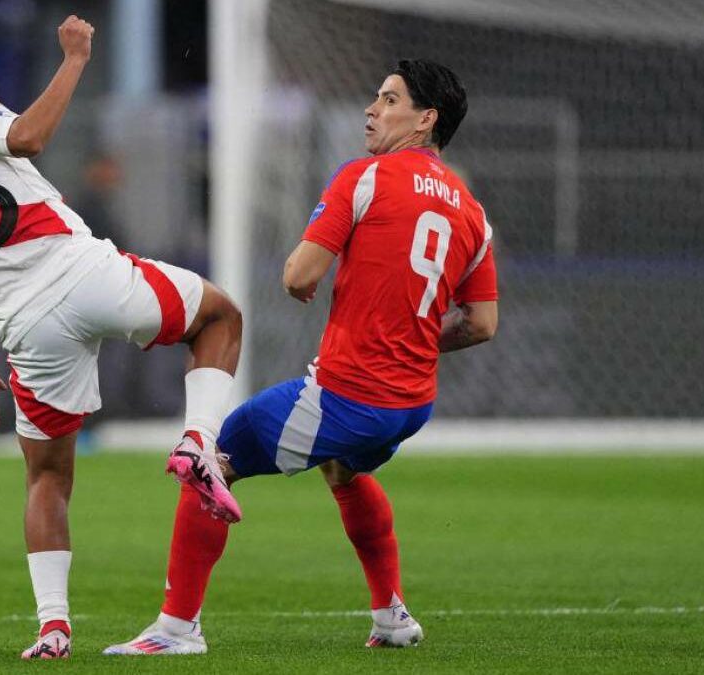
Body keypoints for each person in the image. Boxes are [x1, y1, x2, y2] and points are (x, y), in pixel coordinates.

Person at [0, 16, 244, 659]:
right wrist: (74, 58)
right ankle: (199, 444)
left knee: (46, 478)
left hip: (24, 325)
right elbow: (29, 137)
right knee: (220, 318)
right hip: (79, 270)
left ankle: (52, 627)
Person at [106, 59, 499, 655]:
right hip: (410, 405)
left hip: (348, 393)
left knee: (208, 462)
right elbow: (482, 323)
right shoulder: (473, 212)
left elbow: (297, 275)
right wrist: (415, 338)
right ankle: (391, 617)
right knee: (345, 470)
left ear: (426, 119)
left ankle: (176, 629)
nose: (372, 108)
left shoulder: (364, 178)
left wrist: (306, 279)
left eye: (389, 99)